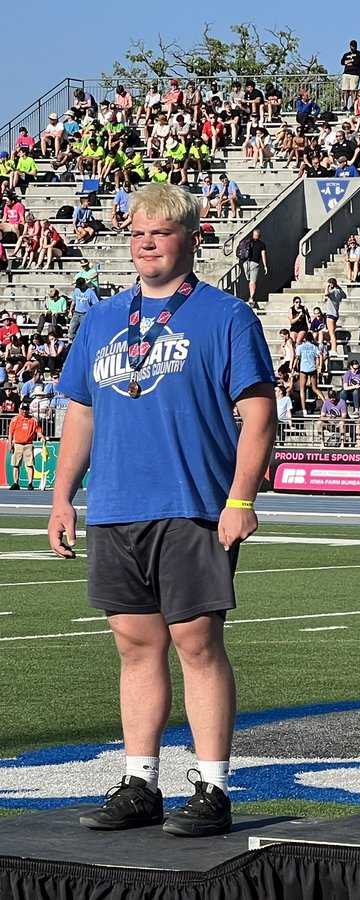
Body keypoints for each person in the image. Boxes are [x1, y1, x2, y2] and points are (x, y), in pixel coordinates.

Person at [48, 183, 277, 838]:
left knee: (197, 642)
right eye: (138, 232)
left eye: (161, 231)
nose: (146, 241)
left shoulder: (226, 315)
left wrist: (241, 499)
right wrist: (64, 496)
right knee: (134, 644)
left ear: (190, 239)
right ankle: (141, 782)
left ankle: (212, 786)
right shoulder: (100, 321)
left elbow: (258, 413)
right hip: (116, 505)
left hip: (192, 503)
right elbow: (82, 412)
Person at [7, 401, 45, 489]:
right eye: (23, 410)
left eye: (26, 410)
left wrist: (42, 436)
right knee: (16, 464)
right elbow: (10, 434)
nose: (24, 412)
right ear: (20, 410)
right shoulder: (15, 420)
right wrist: (10, 445)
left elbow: (38, 430)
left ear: (29, 410)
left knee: (30, 464)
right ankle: (16, 483)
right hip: (17, 444)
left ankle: (30, 483)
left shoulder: (33, 420)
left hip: (28, 444)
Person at [340, 40, 360, 111]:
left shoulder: (359, 54)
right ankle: (345, 105)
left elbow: (357, 62)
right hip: (346, 74)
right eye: (352, 46)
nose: (353, 47)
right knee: (345, 90)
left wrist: (348, 61)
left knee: (353, 90)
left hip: (355, 74)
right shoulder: (346, 54)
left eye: (354, 46)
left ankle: (353, 105)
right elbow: (342, 62)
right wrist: (351, 61)